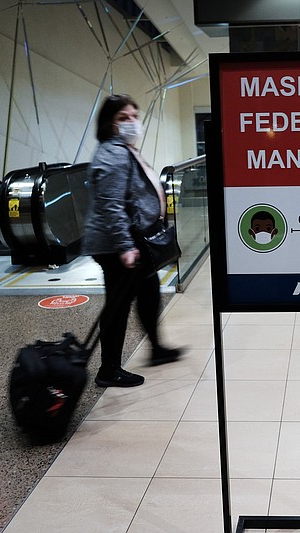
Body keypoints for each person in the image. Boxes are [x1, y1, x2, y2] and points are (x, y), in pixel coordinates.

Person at [82, 94, 183, 388]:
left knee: (149, 294)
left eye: (134, 116)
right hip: (116, 246)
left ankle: (157, 348)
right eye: (123, 118)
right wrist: (125, 246)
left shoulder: (125, 149)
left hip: (132, 241)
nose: (132, 123)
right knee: (118, 305)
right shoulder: (113, 153)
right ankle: (109, 369)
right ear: (109, 124)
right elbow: (111, 205)